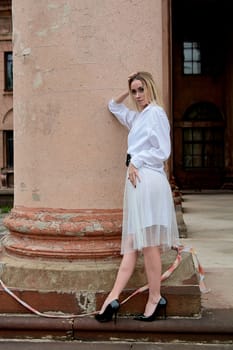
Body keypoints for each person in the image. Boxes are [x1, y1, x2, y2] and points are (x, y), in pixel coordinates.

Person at [95, 71, 180, 323]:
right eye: (134, 91)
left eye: (141, 89)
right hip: (136, 182)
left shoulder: (156, 113)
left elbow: (162, 150)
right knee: (132, 243)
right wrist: (126, 84)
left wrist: (136, 161)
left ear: (150, 88)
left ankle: (155, 297)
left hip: (148, 180)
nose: (137, 95)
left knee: (148, 244)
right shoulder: (139, 117)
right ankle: (113, 298)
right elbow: (113, 106)